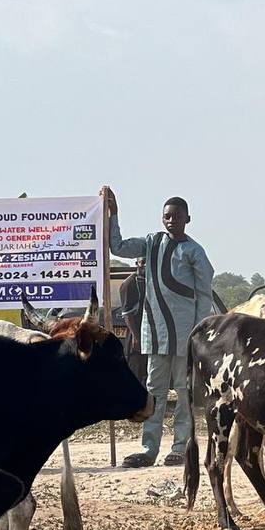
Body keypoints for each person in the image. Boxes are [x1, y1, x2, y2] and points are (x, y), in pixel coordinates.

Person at [104, 186, 215, 468]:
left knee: (183, 392)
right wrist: (112, 214)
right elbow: (117, 247)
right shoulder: (152, 242)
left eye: (176, 216)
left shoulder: (194, 251)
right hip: (154, 334)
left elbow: (204, 293)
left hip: (184, 336)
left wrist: (199, 330)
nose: (171, 221)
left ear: (187, 219)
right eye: (166, 216)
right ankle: (148, 449)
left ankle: (180, 447)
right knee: (154, 392)